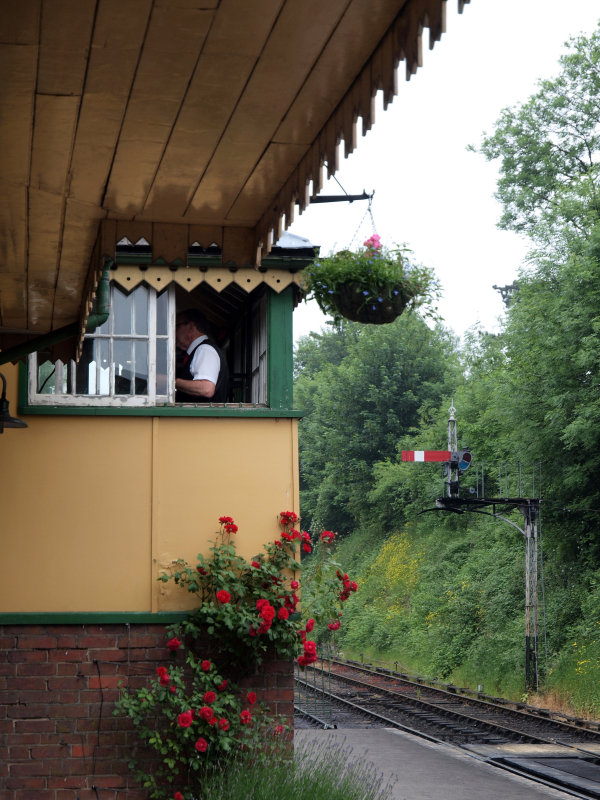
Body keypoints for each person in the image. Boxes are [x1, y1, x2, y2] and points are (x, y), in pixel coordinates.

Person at [175, 309, 229, 402]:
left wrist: (171, 381)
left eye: (176, 326)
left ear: (191, 327)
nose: (173, 330)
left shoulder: (204, 349)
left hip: (205, 417)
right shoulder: (200, 350)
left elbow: (206, 388)